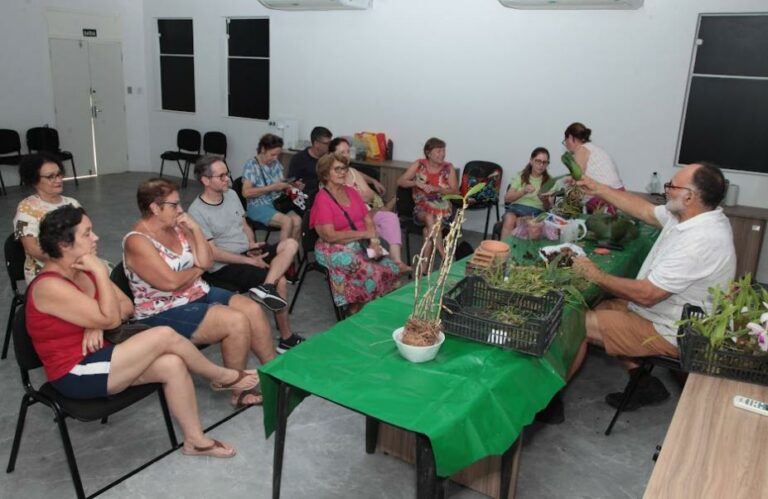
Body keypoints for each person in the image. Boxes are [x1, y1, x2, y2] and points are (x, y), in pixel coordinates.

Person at [27, 205, 259, 458]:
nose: (96, 238)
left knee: (171, 363)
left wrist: (95, 322)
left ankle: (195, 441)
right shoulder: (49, 285)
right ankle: (223, 376)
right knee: (163, 335)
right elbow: (112, 316)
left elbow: (126, 306)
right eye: (87, 234)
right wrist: (99, 277)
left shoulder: (81, 270)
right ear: (64, 244)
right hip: (73, 372)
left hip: (103, 358)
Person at [569, 163, 736, 410]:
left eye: (672, 186)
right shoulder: (693, 215)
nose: (666, 189)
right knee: (602, 304)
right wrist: (597, 188)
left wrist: (596, 275)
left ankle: (549, 403)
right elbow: (646, 211)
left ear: (689, 196)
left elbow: (647, 295)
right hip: (663, 311)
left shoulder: (700, 240)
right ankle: (643, 383)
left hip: (674, 331)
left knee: (573, 322)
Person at [122, 178, 277, 407]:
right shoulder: (137, 241)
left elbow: (206, 259)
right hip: (162, 310)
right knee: (235, 321)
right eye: (174, 205)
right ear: (155, 208)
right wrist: (197, 269)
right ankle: (238, 391)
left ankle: (274, 375)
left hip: (196, 292)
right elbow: (171, 283)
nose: (181, 210)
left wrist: (195, 229)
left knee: (252, 308)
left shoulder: (177, 226)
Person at [189, 156, 305, 353]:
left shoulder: (232, 195)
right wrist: (250, 261)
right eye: (221, 176)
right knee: (282, 280)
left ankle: (266, 287)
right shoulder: (197, 212)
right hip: (223, 266)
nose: (227, 179)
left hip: (246, 253)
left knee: (290, 244)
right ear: (206, 181)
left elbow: (244, 225)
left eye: (227, 173)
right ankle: (286, 338)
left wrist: (251, 244)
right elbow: (214, 253)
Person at [310, 153, 401, 315]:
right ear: (325, 174)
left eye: (344, 168)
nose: (342, 172)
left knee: (391, 268)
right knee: (369, 270)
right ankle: (356, 309)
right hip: (332, 246)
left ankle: (366, 304)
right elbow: (330, 235)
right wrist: (364, 235)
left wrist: (373, 240)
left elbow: (367, 219)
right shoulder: (322, 198)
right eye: (337, 169)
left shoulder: (351, 192)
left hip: (360, 239)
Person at [329, 137, 410, 272]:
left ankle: (396, 261)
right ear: (331, 155)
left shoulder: (353, 172)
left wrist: (356, 197)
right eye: (342, 152)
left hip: (366, 212)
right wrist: (359, 196)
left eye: (348, 152)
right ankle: (382, 267)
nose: (346, 156)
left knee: (389, 218)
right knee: (375, 229)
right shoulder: (330, 175)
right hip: (348, 219)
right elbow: (340, 203)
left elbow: (369, 194)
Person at [13, 153, 83, 283]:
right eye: (51, 177)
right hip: (45, 271)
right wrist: (66, 260)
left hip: (76, 262)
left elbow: (85, 235)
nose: (58, 180)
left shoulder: (73, 203)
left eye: (59, 174)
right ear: (34, 180)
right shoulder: (27, 208)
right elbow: (32, 249)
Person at [397, 137, 459, 260]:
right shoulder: (419, 165)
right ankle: (442, 252)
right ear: (428, 153)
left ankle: (424, 270)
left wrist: (438, 189)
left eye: (443, 151)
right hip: (422, 207)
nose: (442, 154)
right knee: (429, 216)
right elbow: (400, 181)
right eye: (439, 151)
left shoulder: (448, 168)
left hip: (442, 208)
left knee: (427, 232)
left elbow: (455, 191)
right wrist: (415, 183)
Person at [241, 133, 304, 242]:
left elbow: (281, 184)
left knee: (298, 221)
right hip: (257, 205)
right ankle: (282, 256)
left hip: (276, 202)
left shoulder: (275, 164)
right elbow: (246, 192)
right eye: (272, 154)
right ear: (263, 149)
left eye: (277, 155)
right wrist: (272, 187)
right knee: (287, 221)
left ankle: (290, 255)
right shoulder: (251, 165)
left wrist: (292, 185)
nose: (275, 158)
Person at [562, 122, 625, 213]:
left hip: (605, 198)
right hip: (620, 195)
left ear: (571, 137)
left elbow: (577, 180)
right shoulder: (595, 149)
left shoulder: (581, 149)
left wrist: (565, 201)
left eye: (565, 141)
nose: (566, 145)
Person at [500, 147, 554, 239]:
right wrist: (523, 191)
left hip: (535, 213)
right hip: (515, 209)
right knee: (510, 219)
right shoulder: (520, 176)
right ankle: (503, 251)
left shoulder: (550, 181)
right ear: (531, 161)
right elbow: (507, 198)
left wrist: (544, 200)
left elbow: (548, 207)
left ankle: (521, 252)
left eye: (544, 162)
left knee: (526, 223)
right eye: (538, 161)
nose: (541, 165)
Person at [287, 125, 332, 202]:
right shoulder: (299, 159)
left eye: (330, 142)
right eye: (326, 143)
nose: (329, 146)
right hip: (306, 199)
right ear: (316, 143)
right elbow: (289, 185)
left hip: (327, 196)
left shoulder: (329, 158)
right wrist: (295, 186)